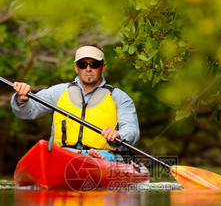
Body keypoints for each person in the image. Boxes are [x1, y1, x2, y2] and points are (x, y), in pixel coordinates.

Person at [11, 44, 139, 161]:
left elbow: (132, 130)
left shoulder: (120, 98)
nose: (88, 69)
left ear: (103, 67)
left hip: (105, 155)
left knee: (103, 156)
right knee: (50, 152)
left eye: (94, 64)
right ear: (76, 67)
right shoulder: (58, 92)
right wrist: (21, 99)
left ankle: (95, 159)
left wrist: (118, 134)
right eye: (83, 64)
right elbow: (28, 112)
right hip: (64, 154)